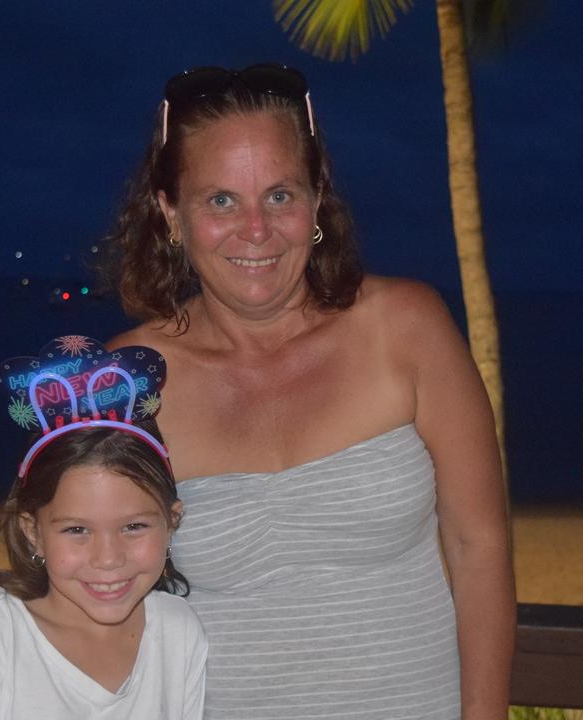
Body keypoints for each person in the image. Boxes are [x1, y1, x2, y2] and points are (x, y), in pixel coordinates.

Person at [102, 64, 515, 719]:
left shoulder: (405, 328)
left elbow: (479, 548)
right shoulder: (129, 380)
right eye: (220, 200)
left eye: (279, 195)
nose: (256, 229)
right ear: (170, 212)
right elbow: (86, 578)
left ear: (317, 198)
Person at [0, 337, 208, 719]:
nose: (108, 559)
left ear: (172, 521)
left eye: (134, 526)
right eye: (77, 530)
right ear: (32, 530)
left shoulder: (179, 630)